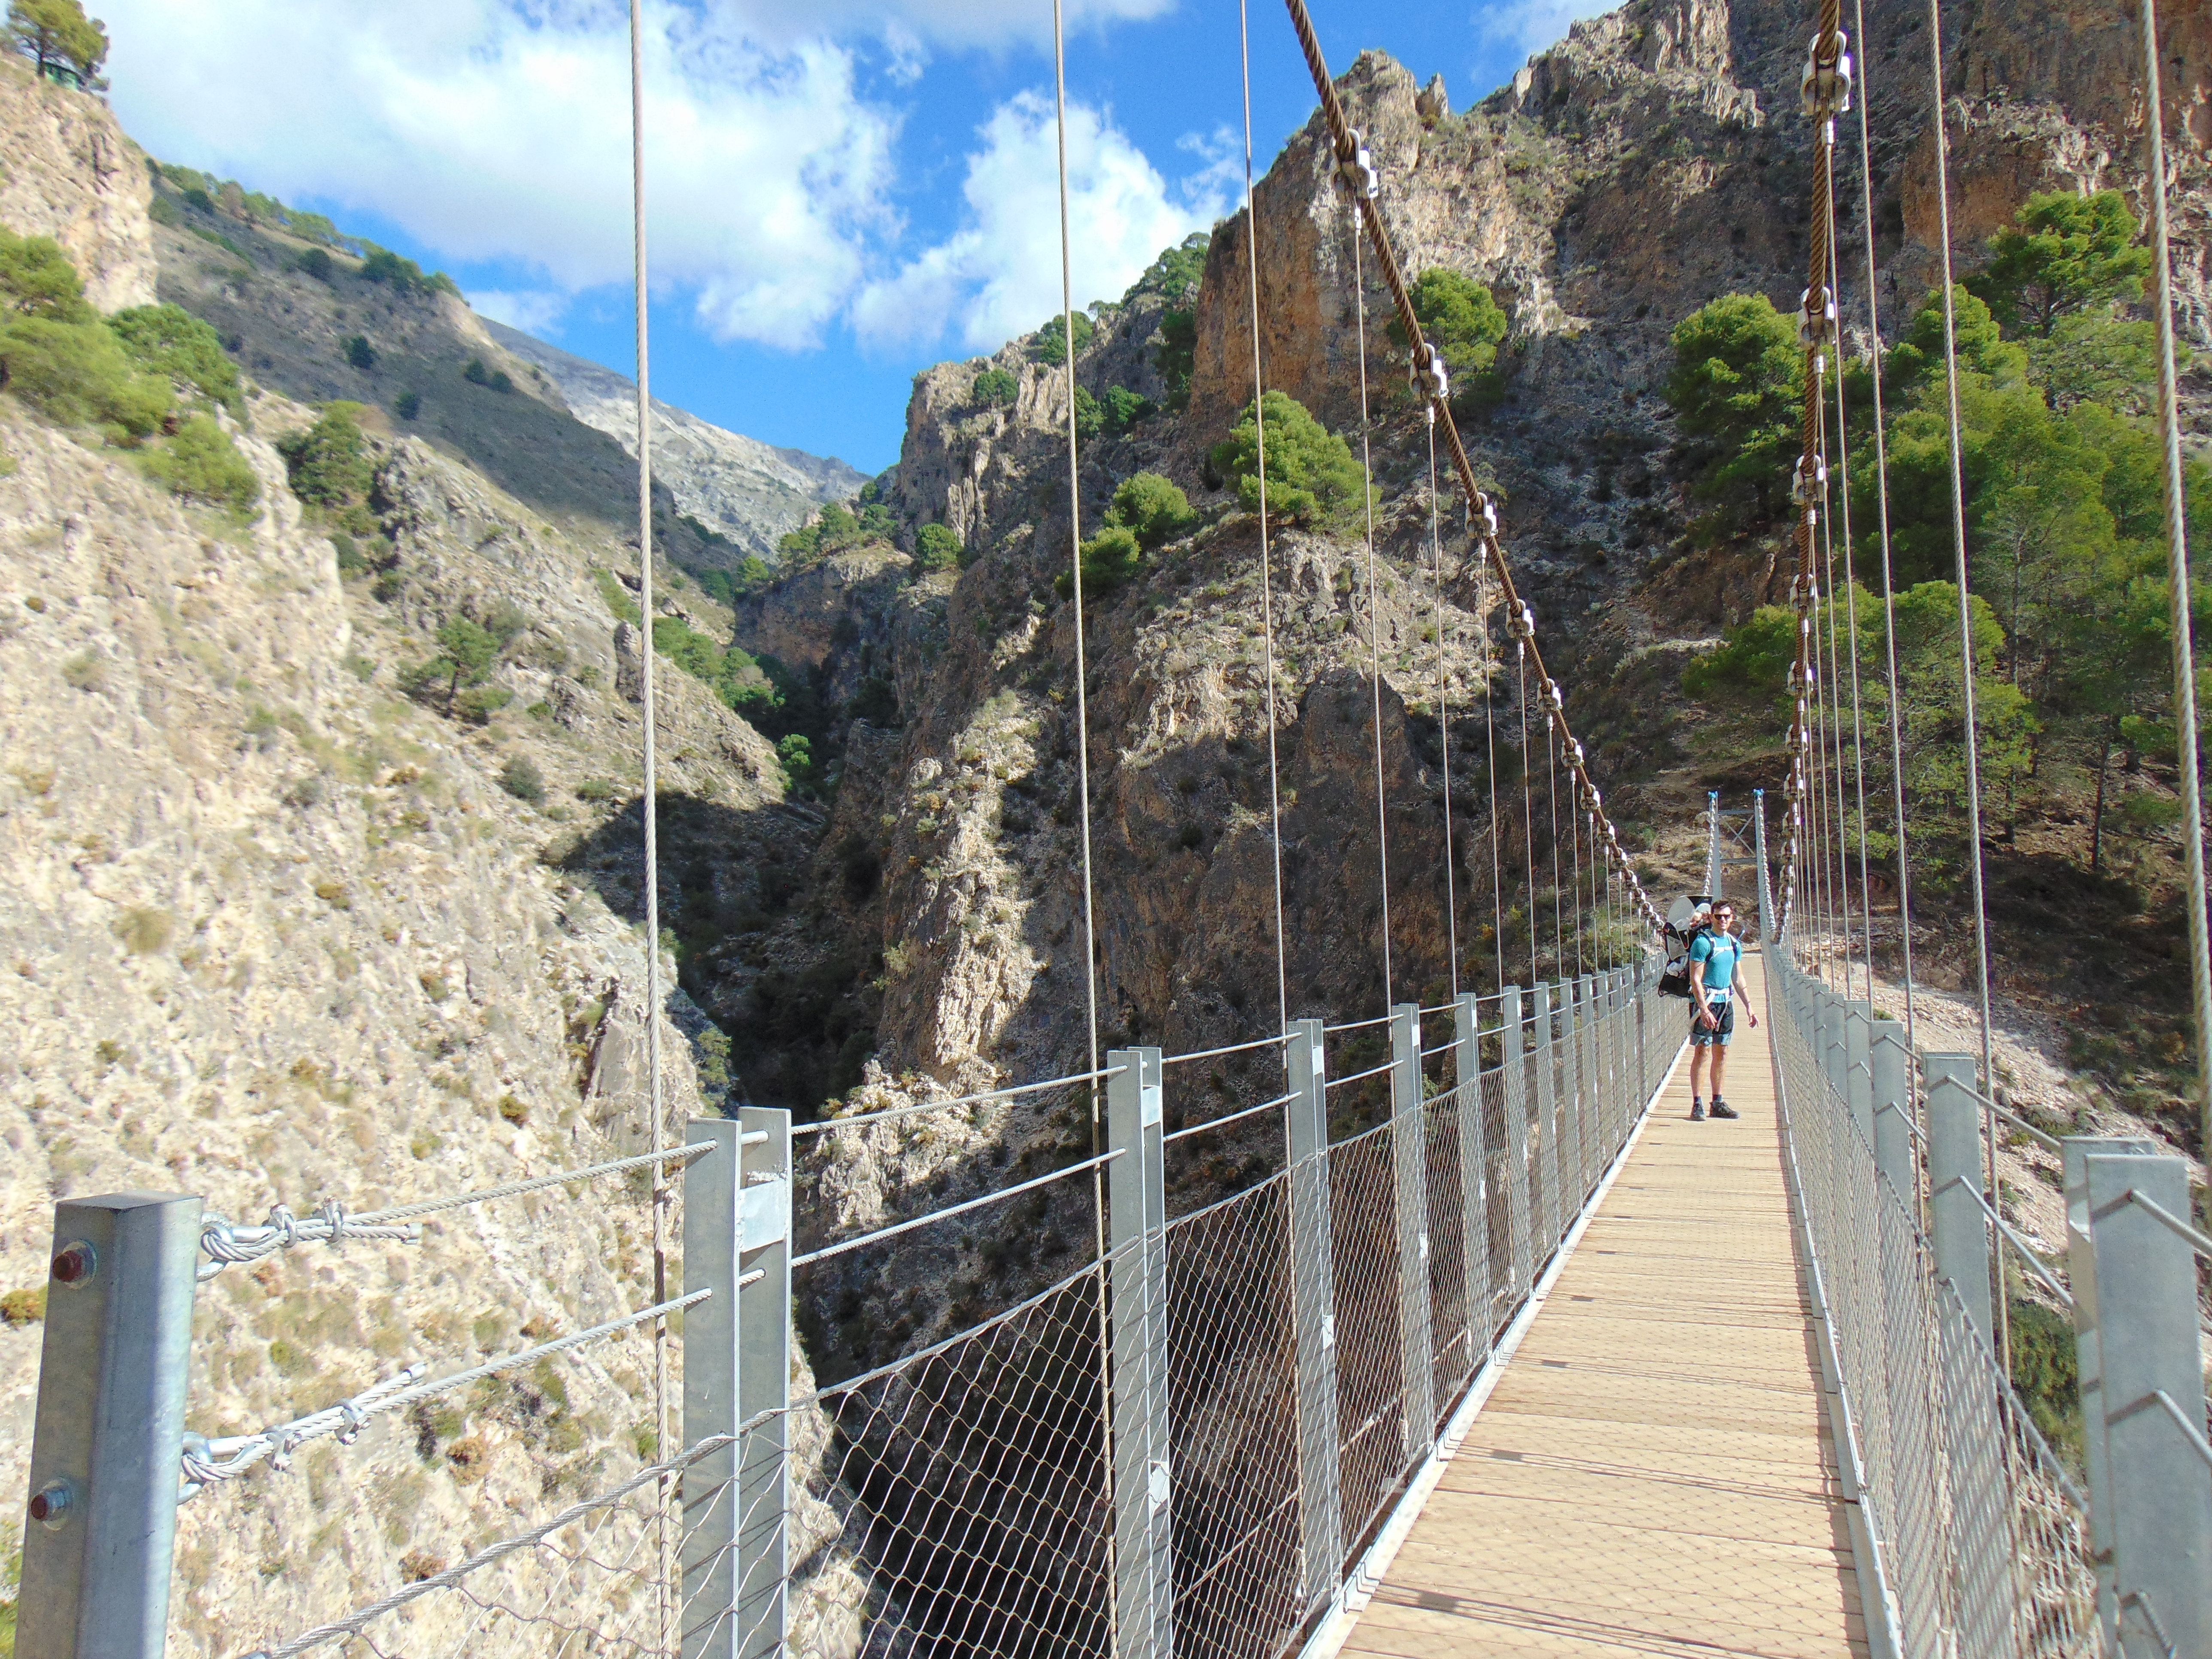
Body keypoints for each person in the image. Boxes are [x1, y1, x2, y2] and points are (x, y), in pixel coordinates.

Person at [1687, 899, 1755, 1120]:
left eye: (1727, 916)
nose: (1723, 920)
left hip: (1725, 1004)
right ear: (1712, 918)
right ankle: (1697, 1103)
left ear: (1732, 918)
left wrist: (1749, 1007)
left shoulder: (1735, 944)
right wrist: (1703, 1009)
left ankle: (1717, 1102)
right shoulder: (1702, 943)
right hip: (1706, 1002)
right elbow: (1695, 978)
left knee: (1722, 1052)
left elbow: (1738, 977)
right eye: (1718, 916)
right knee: (1702, 1051)